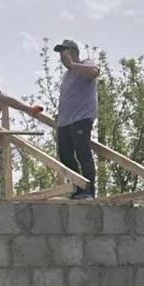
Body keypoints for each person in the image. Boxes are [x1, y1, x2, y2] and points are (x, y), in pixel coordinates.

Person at [53, 38, 100, 199]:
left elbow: (94, 72)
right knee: (64, 155)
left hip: (81, 119)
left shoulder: (85, 63)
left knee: (82, 152)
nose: (62, 57)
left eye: (64, 53)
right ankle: (79, 187)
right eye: (60, 55)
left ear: (73, 52)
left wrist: (72, 64)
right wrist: (61, 113)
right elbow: (70, 96)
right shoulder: (67, 75)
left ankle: (88, 190)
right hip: (65, 121)